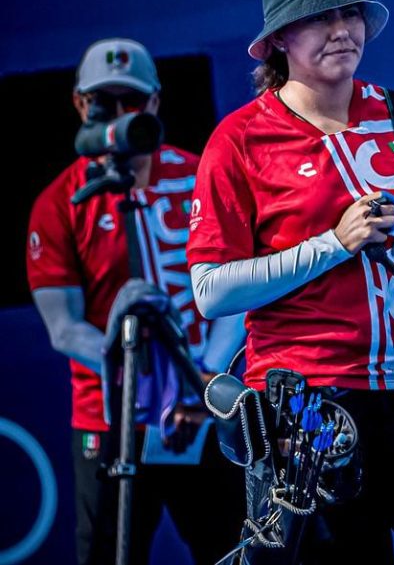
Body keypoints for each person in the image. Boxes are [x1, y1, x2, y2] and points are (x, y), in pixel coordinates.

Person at [186, 0, 394, 564]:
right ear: (278, 41)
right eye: (320, 18)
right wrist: (332, 244)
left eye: (349, 13)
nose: (342, 29)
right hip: (310, 407)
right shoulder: (240, 138)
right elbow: (212, 290)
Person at [26, 38, 247, 565]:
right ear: (81, 105)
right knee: (107, 552)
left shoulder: (201, 175)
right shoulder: (59, 203)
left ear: (153, 103)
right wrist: (142, 379)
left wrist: (202, 383)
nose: (120, 118)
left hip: (204, 408)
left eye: (131, 102)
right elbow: (64, 328)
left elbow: (235, 292)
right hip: (109, 418)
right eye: (105, 103)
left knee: (232, 548)